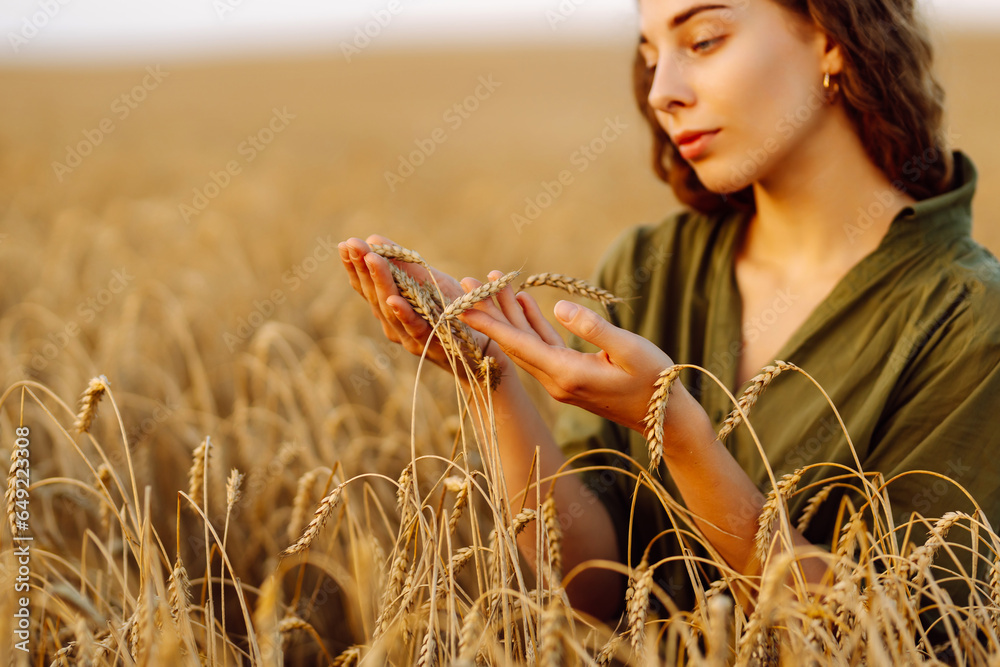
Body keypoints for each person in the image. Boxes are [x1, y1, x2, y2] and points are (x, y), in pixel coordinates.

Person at [339, 0, 1000, 624]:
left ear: (832, 36)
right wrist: (491, 382)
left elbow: (901, 635)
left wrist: (681, 434)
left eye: (703, 40)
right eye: (651, 53)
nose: (661, 91)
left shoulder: (969, 318)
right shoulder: (647, 269)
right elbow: (594, 591)